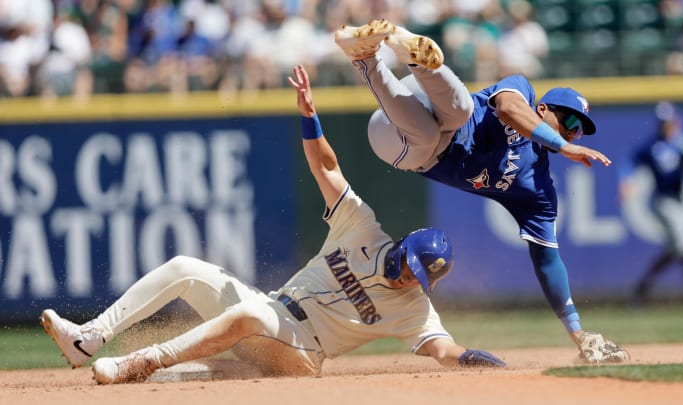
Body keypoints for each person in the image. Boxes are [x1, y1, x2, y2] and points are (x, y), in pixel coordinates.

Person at [40, 64, 507, 385]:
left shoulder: (413, 309)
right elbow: (327, 169)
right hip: (273, 313)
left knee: (249, 318)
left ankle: (136, 365)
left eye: (420, 278)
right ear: (404, 246)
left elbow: (444, 350)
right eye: (411, 266)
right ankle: (90, 338)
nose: (409, 278)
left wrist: (472, 358)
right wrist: (310, 118)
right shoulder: (362, 228)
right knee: (186, 266)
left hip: (301, 354)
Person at [333, 19, 630, 363]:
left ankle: (367, 58)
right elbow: (507, 108)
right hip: (419, 101)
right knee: (461, 110)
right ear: (543, 109)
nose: (573, 134)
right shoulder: (521, 90)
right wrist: (562, 146)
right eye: (571, 123)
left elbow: (548, 260)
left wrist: (577, 331)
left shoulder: (537, 190)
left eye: (578, 133)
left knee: (434, 134)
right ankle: (406, 55)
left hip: (405, 144)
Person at [619, 101, 683, 314]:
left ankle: (640, 291)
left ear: (676, 121)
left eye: (669, 122)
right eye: (662, 123)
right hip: (662, 202)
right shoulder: (652, 145)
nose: (666, 126)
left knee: (676, 251)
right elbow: (628, 160)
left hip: (680, 201)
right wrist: (626, 180)